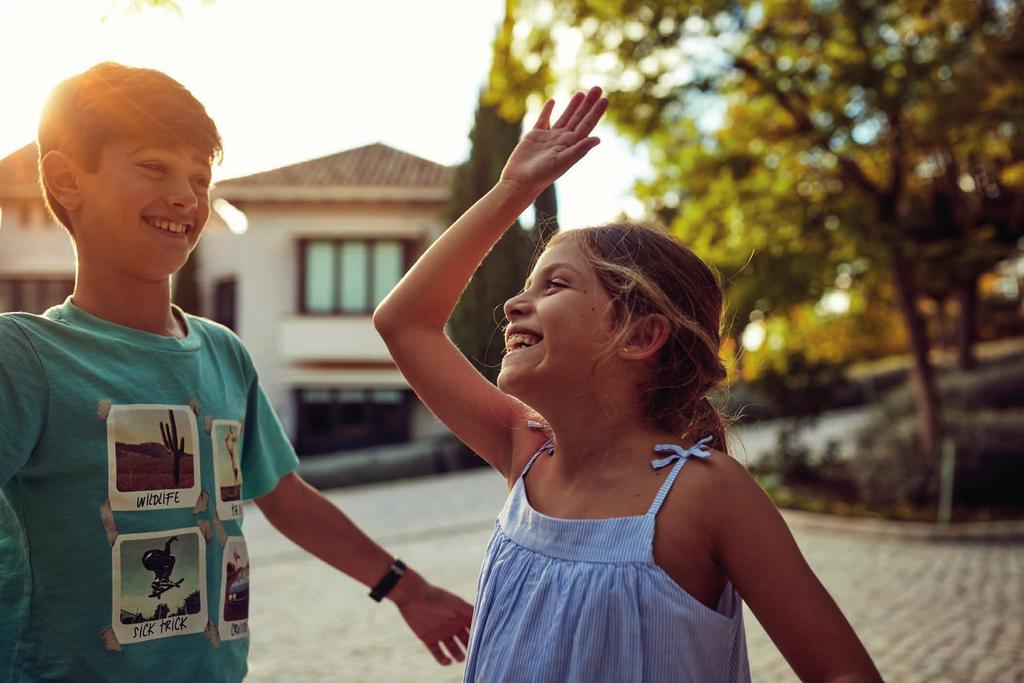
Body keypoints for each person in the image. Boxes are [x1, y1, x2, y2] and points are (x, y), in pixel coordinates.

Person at [373, 87, 883, 682]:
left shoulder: (705, 493)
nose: (513, 303)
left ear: (640, 336)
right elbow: (403, 322)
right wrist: (513, 191)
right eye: (528, 286)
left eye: (554, 286)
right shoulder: (526, 452)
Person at [0, 62, 471, 681]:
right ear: (67, 180)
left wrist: (407, 589)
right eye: (153, 167)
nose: (185, 197)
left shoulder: (224, 352)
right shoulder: (25, 357)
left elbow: (284, 497)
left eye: (200, 177)